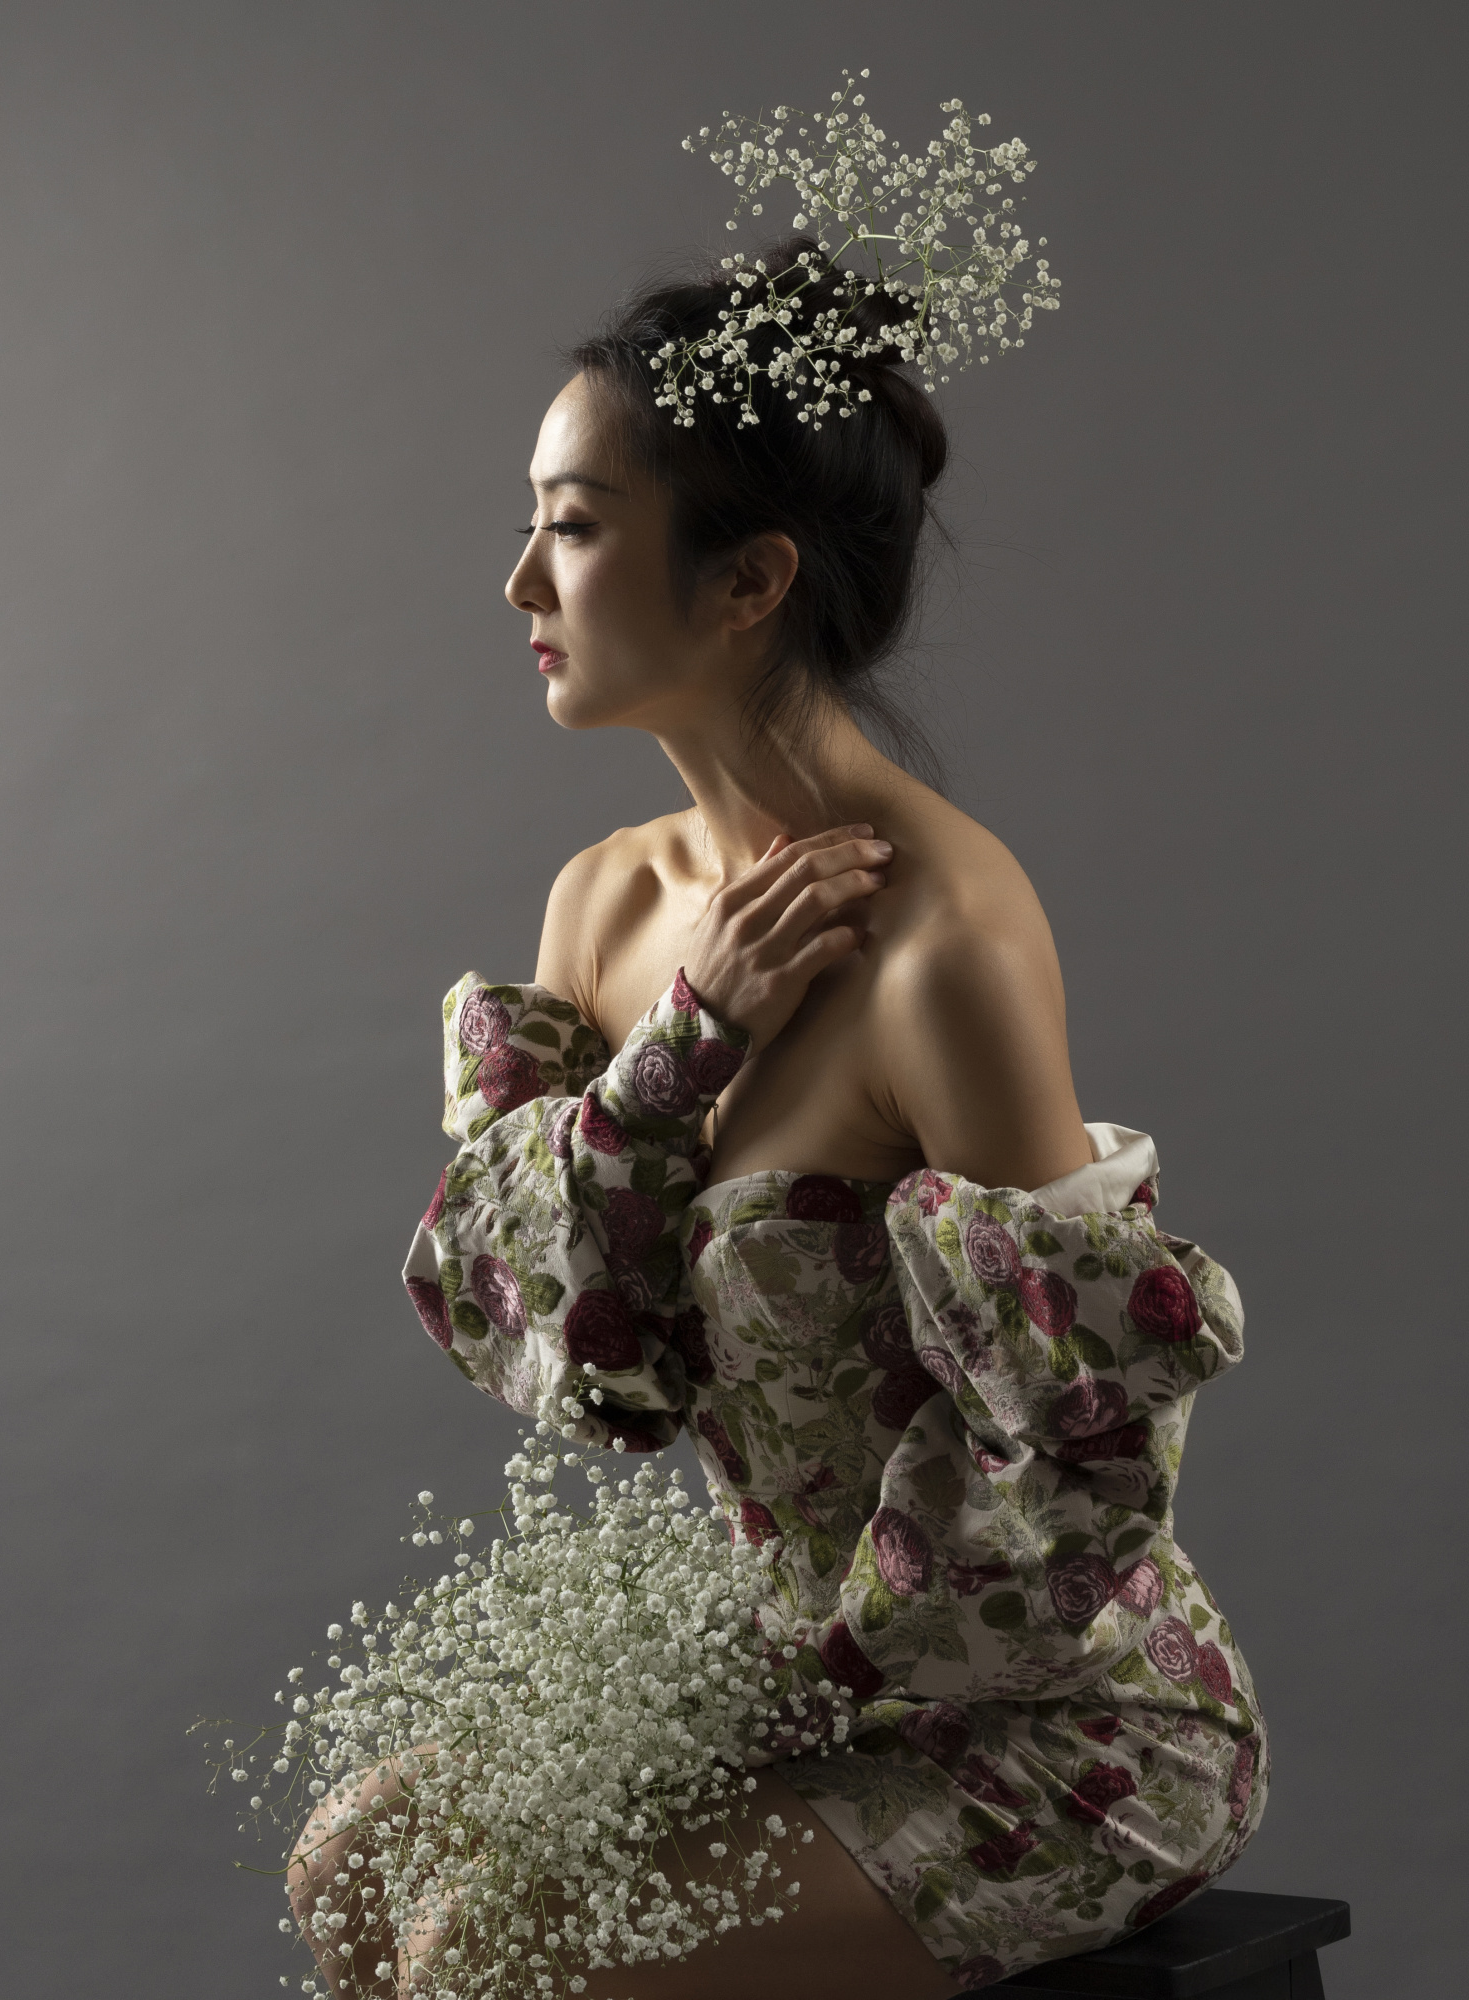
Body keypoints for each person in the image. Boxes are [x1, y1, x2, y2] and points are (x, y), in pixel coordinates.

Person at [290, 241, 1267, 1997]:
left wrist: (809, 1672)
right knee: (357, 1862)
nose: (520, 579)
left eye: (574, 527)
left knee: (482, 1952)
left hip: (1051, 1723)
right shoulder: (604, 907)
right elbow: (574, 1344)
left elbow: (1080, 1460)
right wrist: (683, 1052)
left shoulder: (944, 948)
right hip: (786, 1671)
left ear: (748, 579)